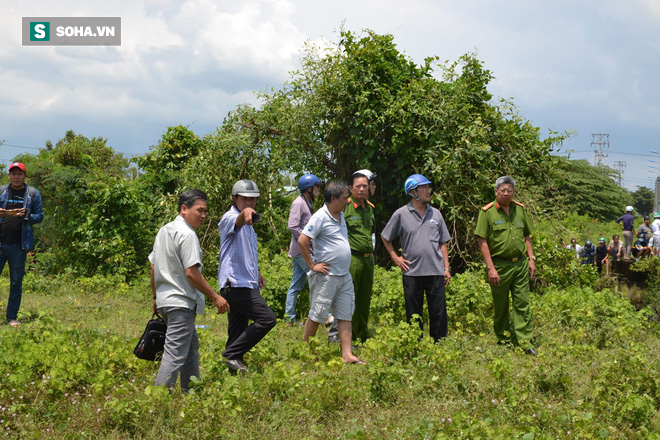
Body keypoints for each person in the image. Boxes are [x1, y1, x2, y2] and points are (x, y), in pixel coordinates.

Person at [150, 190, 230, 392]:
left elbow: (153, 267)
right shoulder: (187, 234)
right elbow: (192, 273)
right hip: (180, 303)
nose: (203, 215)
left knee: (190, 349)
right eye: (199, 210)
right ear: (184, 209)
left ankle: (191, 392)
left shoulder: (164, 230)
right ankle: (159, 399)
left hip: (166, 301)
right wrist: (215, 297)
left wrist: (155, 296)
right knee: (174, 353)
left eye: (205, 211)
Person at [298, 181, 364, 364]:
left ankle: (347, 355)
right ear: (333, 198)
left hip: (344, 275)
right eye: (344, 198)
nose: (348, 201)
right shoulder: (320, 216)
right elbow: (303, 240)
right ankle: (307, 352)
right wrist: (312, 266)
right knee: (317, 314)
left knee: (345, 314)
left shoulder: (340, 214)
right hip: (327, 277)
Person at [381, 174, 452, 343]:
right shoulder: (401, 214)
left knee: (439, 311)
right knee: (413, 312)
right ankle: (415, 343)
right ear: (412, 192)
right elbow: (386, 237)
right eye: (424, 188)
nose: (428, 191)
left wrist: (446, 268)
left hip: (435, 270)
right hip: (412, 272)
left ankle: (439, 343)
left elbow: (443, 243)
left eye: (429, 187)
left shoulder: (436, 214)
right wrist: (395, 258)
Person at [218, 180, 277, 372]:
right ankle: (231, 355)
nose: (250, 203)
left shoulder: (250, 224)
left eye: (253, 200)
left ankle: (233, 373)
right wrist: (245, 213)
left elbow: (246, 251)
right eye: (245, 199)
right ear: (234, 199)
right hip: (235, 284)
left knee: (237, 329)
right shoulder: (229, 217)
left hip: (246, 281)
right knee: (267, 319)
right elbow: (238, 221)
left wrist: (257, 272)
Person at [475, 176, 536, 355]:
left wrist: (531, 258)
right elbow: (482, 240)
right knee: (500, 305)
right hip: (500, 266)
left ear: (514, 192)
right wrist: (490, 268)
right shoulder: (487, 212)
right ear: (496, 192)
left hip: (520, 264)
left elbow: (527, 236)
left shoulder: (520, 210)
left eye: (509, 190)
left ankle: (524, 341)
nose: (506, 193)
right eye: (502, 190)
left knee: (522, 303)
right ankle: (502, 339)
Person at [0, 162, 44, 327]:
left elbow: (40, 216)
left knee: (16, 282)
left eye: (19, 174)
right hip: (0, 242)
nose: (16, 177)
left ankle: (11, 317)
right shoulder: (2, 191)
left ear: (25, 176)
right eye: (13, 174)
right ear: (9, 175)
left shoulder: (32, 194)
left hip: (19, 246)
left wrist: (27, 215)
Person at [285, 174, 322, 324]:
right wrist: (306, 239)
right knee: (317, 278)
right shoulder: (299, 203)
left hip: (304, 249)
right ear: (309, 188)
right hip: (301, 250)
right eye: (317, 187)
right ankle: (321, 316)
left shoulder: (308, 202)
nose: (318, 190)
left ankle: (290, 317)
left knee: (296, 284)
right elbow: (292, 226)